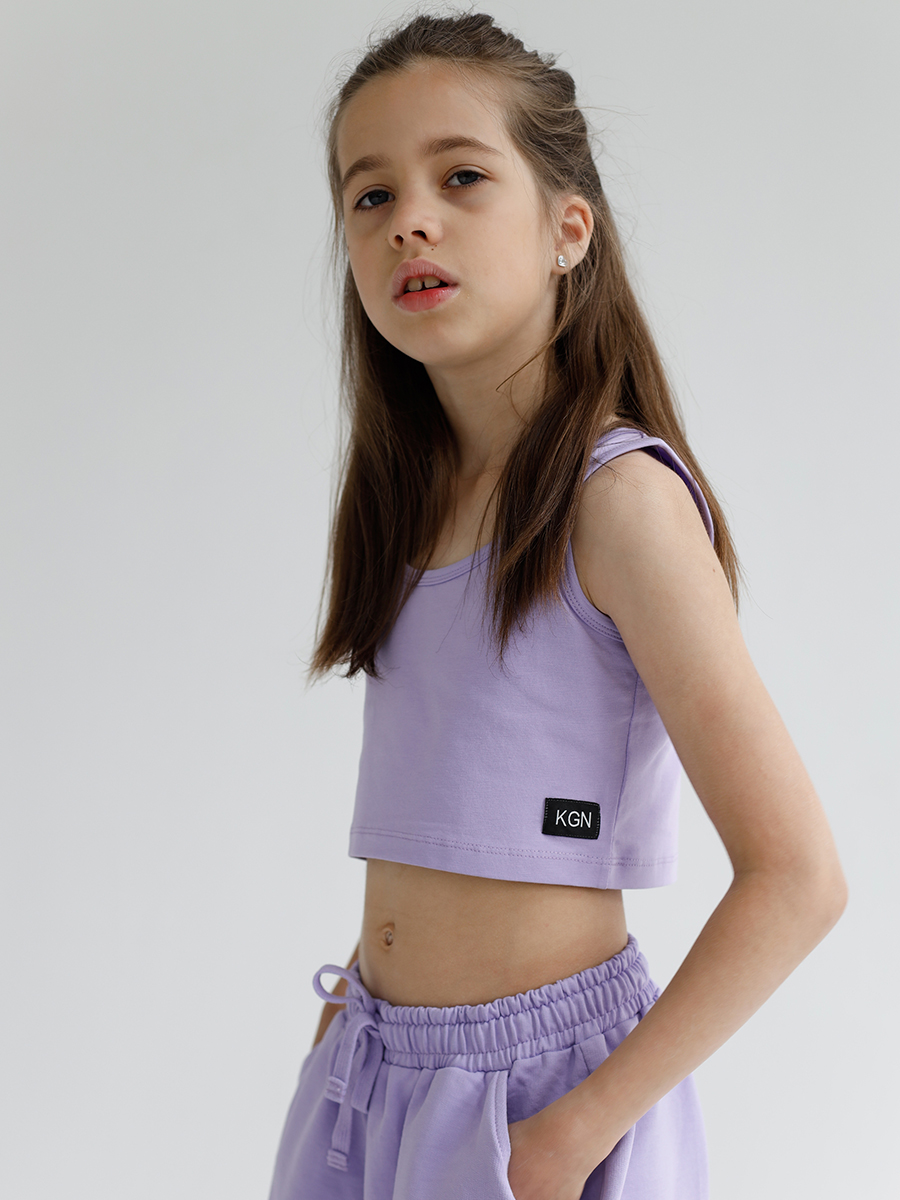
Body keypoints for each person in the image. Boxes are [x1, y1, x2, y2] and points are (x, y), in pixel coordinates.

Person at [268, 9, 847, 1199]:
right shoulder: (414, 503)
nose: (409, 218)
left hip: (535, 1105)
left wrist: (572, 1132)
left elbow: (798, 878)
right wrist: (350, 1024)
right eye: (369, 196)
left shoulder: (618, 502)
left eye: (461, 177)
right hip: (369, 1076)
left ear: (566, 229)